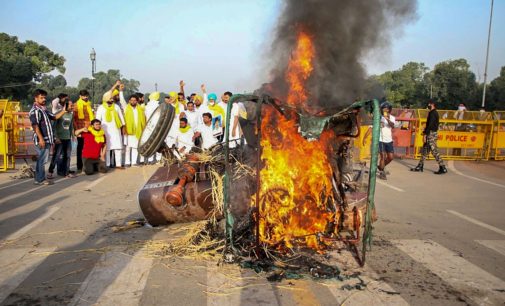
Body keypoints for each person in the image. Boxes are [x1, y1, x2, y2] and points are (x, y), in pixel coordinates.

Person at [29, 89, 68, 185]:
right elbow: (35, 125)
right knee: (42, 160)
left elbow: (54, 117)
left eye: (44, 97)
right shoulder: (35, 111)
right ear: (36, 98)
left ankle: (39, 178)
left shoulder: (44, 109)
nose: (44, 99)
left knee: (42, 160)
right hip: (42, 140)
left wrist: (64, 111)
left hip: (47, 139)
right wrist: (41, 139)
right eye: (41, 98)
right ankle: (40, 179)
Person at [411, 100, 447, 174]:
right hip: (430, 133)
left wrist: (425, 134)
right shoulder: (432, 112)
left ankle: (442, 167)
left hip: (431, 134)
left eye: (429, 104)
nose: (428, 105)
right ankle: (420, 166)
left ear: (432, 104)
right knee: (425, 150)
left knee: (434, 151)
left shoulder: (433, 113)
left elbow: (430, 125)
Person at [362, 102, 396, 180]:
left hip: (389, 140)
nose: (385, 110)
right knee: (382, 156)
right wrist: (365, 137)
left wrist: (387, 119)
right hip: (380, 140)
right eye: (383, 109)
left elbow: (392, 126)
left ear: (389, 110)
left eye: (386, 109)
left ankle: (381, 167)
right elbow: (371, 128)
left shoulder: (392, 117)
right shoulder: (378, 117)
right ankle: (382, 173)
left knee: (390, 157)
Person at [95, 90, 125, 169]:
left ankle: (118, 164)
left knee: (118, 148)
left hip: (116, 130)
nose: (112, 99)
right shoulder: (101, 108)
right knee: (107, 149)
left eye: (112, 98)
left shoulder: (116, 106)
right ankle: (107, 164)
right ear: (106, 98)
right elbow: (98, 120)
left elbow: (121, 118)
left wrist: (123, 127)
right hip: (105, 131)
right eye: (110, 98)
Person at [48, 98, 75, 178]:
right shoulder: (58, 113)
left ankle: (66, 173)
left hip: (67, 139)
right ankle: (50, 172)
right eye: (70, 105)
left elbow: (71, 126)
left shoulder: (71, 114)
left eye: (72, 105)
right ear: (65, 105)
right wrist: (56, 137)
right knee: (56, 156)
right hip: (60, 139)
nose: (72, 106)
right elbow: (54, 126)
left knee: (68, 156)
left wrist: (72, 136)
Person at [73, 89, 95, 173]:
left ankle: (88, 166)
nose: (85, 97)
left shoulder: (89, 105)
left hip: (89, 129)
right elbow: (74, 119)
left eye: (86, 96)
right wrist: (76, 130)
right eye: (84, 96)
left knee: (88, 148)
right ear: (80, 96)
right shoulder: (76, 105)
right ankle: (80, 166)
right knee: (80, 148)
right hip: (80, 129)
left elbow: (91, 117)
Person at [124, 94, 146, 166]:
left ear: (137, 101)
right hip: (128, 130)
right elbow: (121, 100)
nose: (133, 102)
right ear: (129, 101)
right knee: (127, 147)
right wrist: (121, 91)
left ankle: (133, 162)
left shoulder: (140, 109)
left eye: (134, 100)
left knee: (135, 147)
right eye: (131, 100)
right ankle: (127, 162)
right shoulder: (126, 108)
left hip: (138, 131)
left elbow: (144, 119)